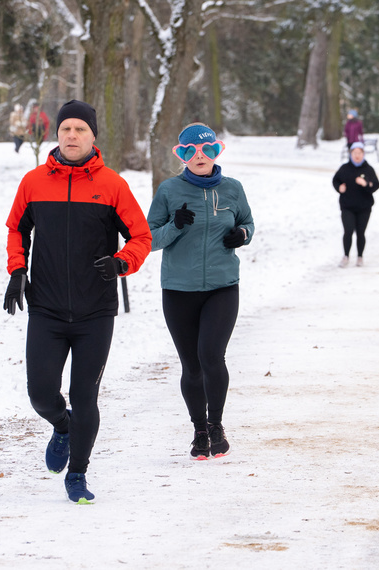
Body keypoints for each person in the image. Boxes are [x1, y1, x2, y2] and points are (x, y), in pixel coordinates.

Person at [3, 100, 152, 503]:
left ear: (93, 136)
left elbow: (141, 237)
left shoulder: (113, 185)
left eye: (80, 130)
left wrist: (122, 263)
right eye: (66, 129)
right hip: (47, 308)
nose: (72, 135)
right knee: (40, 393)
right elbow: (17, 230)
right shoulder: (33, 182)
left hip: (95, 311)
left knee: (85, 394)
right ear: (57, 134)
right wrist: (18, 270)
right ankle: (63, 426)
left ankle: (78, 473)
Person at [146, 123, 254, 461]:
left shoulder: (233, 189)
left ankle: (217, 424)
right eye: (190, 151)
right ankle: (200, 431)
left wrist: (243, 235)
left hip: (223, 287)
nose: (200, 157)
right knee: (191, 366)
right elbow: (148, 239)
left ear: (217, 152)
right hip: (179, 289)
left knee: (211, 356)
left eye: (207, 150)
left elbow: (248, 222)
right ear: (181, 155)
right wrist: (174, 225)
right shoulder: (168, 191)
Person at [332, 141, 379, 267]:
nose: (357, 155)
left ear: (363, 154)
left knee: (360, 232)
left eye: (359, 153)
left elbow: (376, 185)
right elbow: (335, 180)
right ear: (350, 154)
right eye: (354, 153)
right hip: (347, 206)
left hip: (364, 207)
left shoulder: (368, 169)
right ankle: (346, 256)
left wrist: (365, 184)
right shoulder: (344, 168)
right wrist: (339, 188)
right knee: (348, 231)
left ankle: (360, 256)